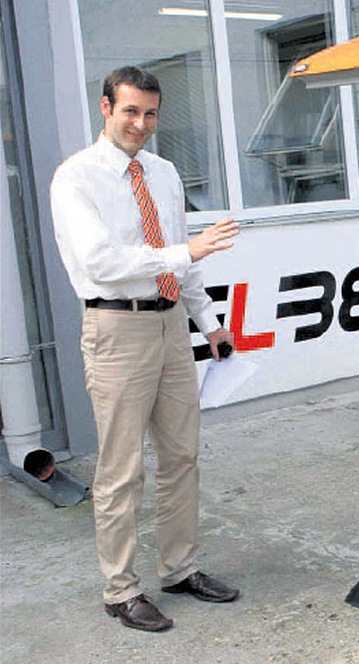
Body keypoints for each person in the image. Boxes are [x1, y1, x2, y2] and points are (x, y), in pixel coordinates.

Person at [50, 66, 241, 632]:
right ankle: (121, 590)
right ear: (106, 108)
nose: (141, 123)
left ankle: (179, 569)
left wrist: (209, 323)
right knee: (122, 468)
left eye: (151, 113)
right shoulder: (76, 177)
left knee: (182, 457)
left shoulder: (163, 172)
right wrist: (187, 252)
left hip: (170, 326)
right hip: (116, 329)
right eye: (130, 111)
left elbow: (181, 258)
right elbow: (101, 262)